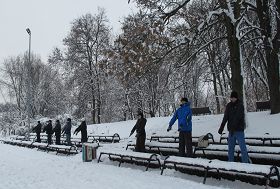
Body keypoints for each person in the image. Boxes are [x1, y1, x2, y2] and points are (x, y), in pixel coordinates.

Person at [218, 91, 249, 163]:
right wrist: (221, 127)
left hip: (239, 130)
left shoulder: (240, 105)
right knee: (230, 148)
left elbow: (238, 118)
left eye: (234, 98)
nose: (232, 99)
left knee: (243, 148)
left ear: (236, 98)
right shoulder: (228, 106)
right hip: (231, 131)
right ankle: (230, 163)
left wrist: (233, 128)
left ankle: (246, 164)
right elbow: (225, 117)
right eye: (231, 98)